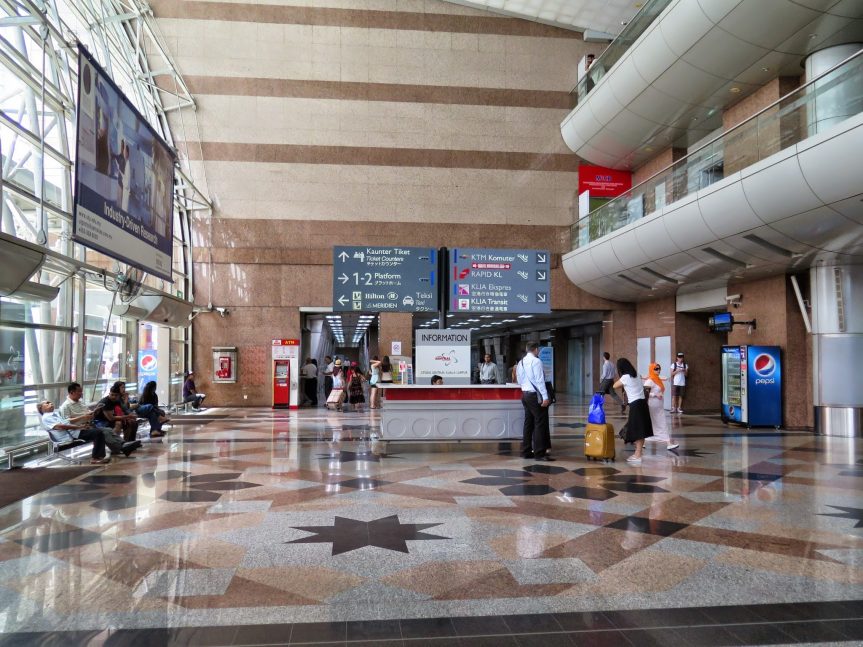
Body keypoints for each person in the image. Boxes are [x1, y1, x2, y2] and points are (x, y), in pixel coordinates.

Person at [56, 382, 138, 458]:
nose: (81, 393)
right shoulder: (65, 406)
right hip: (77, 430)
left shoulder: (80, 402)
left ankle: (123, 445)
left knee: (108, 430)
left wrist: (93, 413)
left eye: (81, 391)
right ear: (71, 392)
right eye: (79, 391)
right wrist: (83, 418)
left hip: (88, 426)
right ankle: (102, 455)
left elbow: (88, 414)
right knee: (100, 432)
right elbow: (66, 422)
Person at [38, 399, 109, 464]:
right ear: (41, 408)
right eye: (47, 404)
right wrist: (79, 427)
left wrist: (83, 418)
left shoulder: (55, 414)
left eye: (50, 402)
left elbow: (67, 421)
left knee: (96, 430)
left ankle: (99, 456)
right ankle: (96, 458)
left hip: (73, 432)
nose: (50, 403)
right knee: (98, 433)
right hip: (69, 435)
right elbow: (60, 426)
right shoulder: (47, 417)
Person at [516, 342, 553, 461]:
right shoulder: (536, 361)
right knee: (539, 423)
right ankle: (539, 453)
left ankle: (526, 451)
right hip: (535, 396)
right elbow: (539, 380)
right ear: (536, 350)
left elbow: (519, 380)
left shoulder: (521, 362)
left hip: (525, 395)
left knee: (528, 423)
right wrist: (545, 396)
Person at [613, 357, 653, 465]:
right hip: (642, 403)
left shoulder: (625, 377)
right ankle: (638, 452)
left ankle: (638, 454)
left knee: (638, 430)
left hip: (635, 405)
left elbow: (614, 386)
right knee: (641, 429)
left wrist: (622, 380)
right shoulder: (637, 375)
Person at [643, 363, 678, 451]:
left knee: (653, 423)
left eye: (659, 369)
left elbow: (663, 378)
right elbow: (644, 393)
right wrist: (655, 394)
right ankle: (668, 443)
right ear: (652, 369)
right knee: (661, 423)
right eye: (656, 369)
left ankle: (643, 441)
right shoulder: (650, 380)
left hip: (658, 405)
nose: (658, 370)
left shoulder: (657, 379)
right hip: (652, 405)